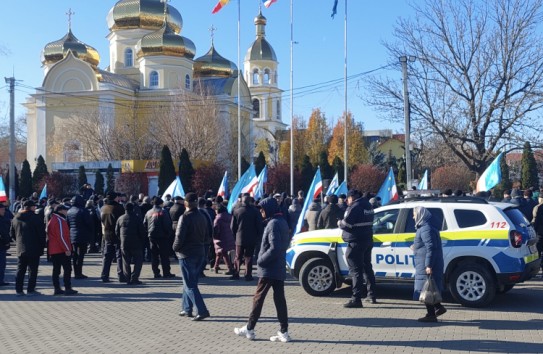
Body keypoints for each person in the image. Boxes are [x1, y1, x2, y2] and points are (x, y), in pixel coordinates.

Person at [234, 197, 291, 342]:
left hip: (269, 268)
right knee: (279, 299)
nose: (261, 211)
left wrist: (260, 260)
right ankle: (284, 331)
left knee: (258, 298)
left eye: (262, 209)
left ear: (269, 209)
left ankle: (249, 328)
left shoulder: (273, 224)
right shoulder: (282, 221)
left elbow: (274, 248)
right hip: (277, 266)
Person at [173, 192, 210, 321]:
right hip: (200, 251)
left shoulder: (185, 217)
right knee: (189, 282)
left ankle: (202, 310)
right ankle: (187, 308)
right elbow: (207, 234)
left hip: (187, 253)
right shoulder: (202, 216)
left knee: (190, 285)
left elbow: (179, 236)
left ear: (186, 203)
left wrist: (175, 248)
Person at [338, 189, 376, 307]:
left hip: (355, 241)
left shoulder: (354, 207)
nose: (347, 201)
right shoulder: (368, 205)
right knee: (367, 268)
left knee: (356, 271)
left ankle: (356, 299)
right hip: (367, 240)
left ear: (352, 197)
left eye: (348, 199)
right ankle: (371, 295)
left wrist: (339, 223)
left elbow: (347, 224)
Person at [411, 206, 447, 322]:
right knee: (430, 288)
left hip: (427, 264)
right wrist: (416, 247)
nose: (413, 217)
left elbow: (431, 248)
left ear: (420, 215)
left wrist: (428, 265)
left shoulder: (426, 228)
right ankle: (438, 308)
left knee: (426, 289)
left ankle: (431, 315)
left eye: (414, 214)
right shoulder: (425, 227)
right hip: (426, 262)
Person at [12, 201, 46, 296]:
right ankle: (31, 289)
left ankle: (19, 290)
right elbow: (41, 234)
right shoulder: (36, 218)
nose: (35, 208)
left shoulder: (16, 218)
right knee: (33, 270)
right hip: (34, 248)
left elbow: (12, 233)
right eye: (34, 206)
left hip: (20, 248)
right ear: (31, 207)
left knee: (20, 269)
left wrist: (18, 242)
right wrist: (43, 245)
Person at [230, 195, 264, 281]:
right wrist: (258, 235)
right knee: (249, 257)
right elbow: (259, 225)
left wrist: (235, 235)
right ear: (249, 201)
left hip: (239, 238)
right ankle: (248, 275)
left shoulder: (236, 211)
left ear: (241, 201)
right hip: (251, 238)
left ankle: (236, 273)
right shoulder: (255, 211)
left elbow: (232, 226)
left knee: (238, 256)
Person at [47, 204, 78, 295]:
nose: (67, 211)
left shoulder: (52, 220)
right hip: (61, 249)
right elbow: (61, 236)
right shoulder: (59, 220)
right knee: (67, 269)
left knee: (56, 270)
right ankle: (67, 288)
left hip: (54, 249)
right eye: (65, 210)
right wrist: (67, 248)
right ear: (60, 210)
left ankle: (57, 288)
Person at [144, 197, 175, 278]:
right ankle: (166, 272)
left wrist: (148, 232)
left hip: (151, 236)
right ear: (161, 203)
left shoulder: (148, 212)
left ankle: (156, 273)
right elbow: (167, 224)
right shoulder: (163, 212)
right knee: (164, 255)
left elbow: (145, 224)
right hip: (162, 236)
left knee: (154, 255)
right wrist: (168, 234)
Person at [116, 202, 146, 285]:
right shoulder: (137, 218)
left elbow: (116, 231)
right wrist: (142, 240)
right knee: (138, 261)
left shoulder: (120, 218)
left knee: (125, 261)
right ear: (133, 209)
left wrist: (121, 239)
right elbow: (142, 232)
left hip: (124, 243)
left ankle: (127, 278)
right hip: (136, 244)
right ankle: (135, 278)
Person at [100, 192, 126, 282]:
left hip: (106, 233)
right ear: (115, 198)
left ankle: (104, 275)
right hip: (117, 234)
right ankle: (121, 275)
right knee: (119, 255)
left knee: (107, 256)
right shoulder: (118, 207)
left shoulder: (103, 208)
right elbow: (121, 220)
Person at [67, 195, 93, 279]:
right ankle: (79, 272)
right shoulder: (83, 210)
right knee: (81, 255)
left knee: (75, 254)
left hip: (72, 234)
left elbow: (67, 223)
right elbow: (89, 223)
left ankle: (75, 272)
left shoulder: (69, 211)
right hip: (82, 235)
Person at [212, 204, 235, 274]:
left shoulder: (218, 218)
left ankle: (229, 268)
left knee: (223, 253)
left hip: (220, 238)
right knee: (219, 253)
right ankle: (215, 267)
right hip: (229, 237)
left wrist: (214, 237)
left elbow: (215, 230)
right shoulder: (230, 216)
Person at [0, 203, 12, 286]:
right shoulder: (1, 220)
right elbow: (3, 233)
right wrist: (6, 241)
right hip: (1, 244)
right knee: (1, 264)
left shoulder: (3, 219)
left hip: (2, 244)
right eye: (3, 209)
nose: (4, 211)